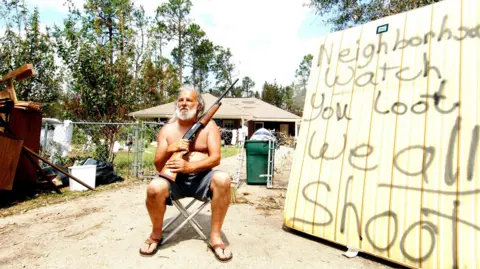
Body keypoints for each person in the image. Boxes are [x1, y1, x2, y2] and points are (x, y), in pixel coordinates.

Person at [139, 86, 233, 262]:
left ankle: (215, 237)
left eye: (189, 100)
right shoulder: (167, 130)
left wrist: (189, 167)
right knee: (153, 188)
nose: (184, 103)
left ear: (198, 106)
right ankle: (155, 235)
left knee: (223, 179)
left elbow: (215, 159)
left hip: (202, 179)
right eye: (181, 100)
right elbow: (159, 165)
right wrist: (170, 148)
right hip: (173, 181)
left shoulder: (209, 126)